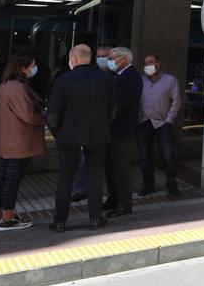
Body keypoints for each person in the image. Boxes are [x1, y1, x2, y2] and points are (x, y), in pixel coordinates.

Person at [47, 44, 114, 231]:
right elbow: (113, 108)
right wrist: (104, 125)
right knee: (95, 176)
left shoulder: (64, 80)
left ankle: (60, 221)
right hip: (98, 134)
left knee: (65, 177)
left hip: (68, 135)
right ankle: (95, 219)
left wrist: (57, 132)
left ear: (73, 59)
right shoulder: (106, 79)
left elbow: (53, 113)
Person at [0, 52, 45, 231]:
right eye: (32, 65)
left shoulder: (5, 86)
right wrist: (46, 117)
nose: (34, 69)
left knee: (3, 177)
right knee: (12, 179)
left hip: (8, 138)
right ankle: (8, 217)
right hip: (19, 140)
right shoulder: (17, 88)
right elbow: (28, 115)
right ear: (22, 67)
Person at [103, 46, 142, 218]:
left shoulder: (131, 77)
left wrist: (105, 120)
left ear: (123, 59)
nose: (109, 61)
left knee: (121, 169)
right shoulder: (118, 75)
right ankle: (113, 198)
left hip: (123, 130)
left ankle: (124, 203)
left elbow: (121, 106)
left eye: (112, 58)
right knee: (111, 168)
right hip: (113, 130)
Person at [71, 45, 112, 203]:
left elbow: (113, 105)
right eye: (99, 56)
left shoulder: (114, 76)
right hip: (89, 127)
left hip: (106, 126)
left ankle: (104, 193)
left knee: (104, 163)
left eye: (106, 57)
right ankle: (82, 189)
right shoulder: (91, 74)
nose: (102, 59)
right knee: (85, 160)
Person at [137, 54, 181, 197]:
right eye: (145, 63)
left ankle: (172, 185)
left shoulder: (170, 80)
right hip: (144, 122)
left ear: (158, 64)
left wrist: (168, 120)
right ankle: (148, 186)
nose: (147, 66)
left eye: (150, 62)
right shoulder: (141, 80)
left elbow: (176, 102)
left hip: (162, 123)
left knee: (168, 157)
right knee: (145, 157)